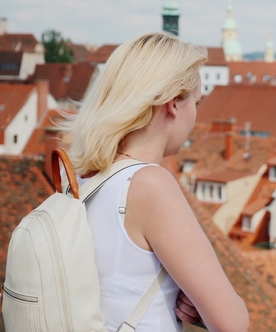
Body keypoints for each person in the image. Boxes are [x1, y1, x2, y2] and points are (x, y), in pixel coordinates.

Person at [63, 32, 249, 332]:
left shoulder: (79, 177)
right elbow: (232, 324)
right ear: (174, 104)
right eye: (196, 103)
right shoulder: (149, 184)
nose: (195, 116)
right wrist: (205, 307)